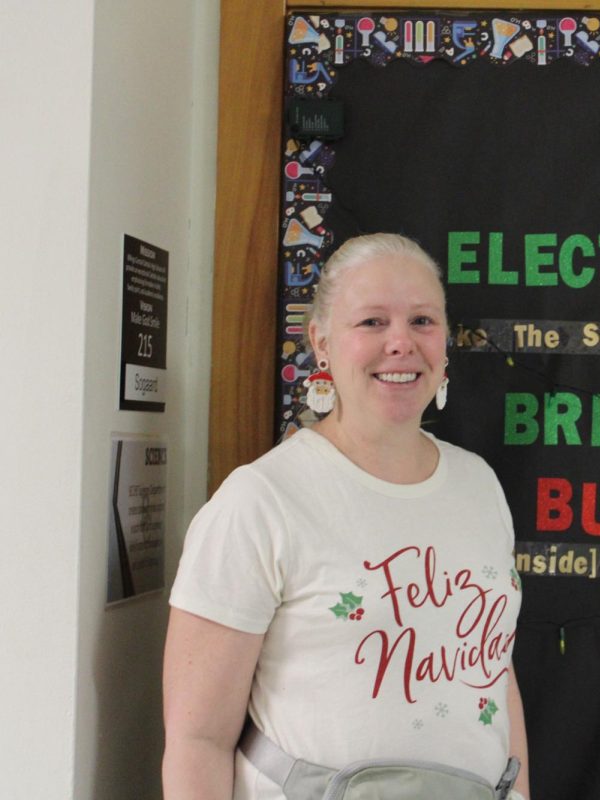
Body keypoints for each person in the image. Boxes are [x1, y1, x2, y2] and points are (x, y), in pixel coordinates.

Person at [163, 233, 531, 800]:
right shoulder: (261, 501)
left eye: (423, 321)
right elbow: (197, 740)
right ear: (322, 343)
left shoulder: (479, 485)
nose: (401, 343)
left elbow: (492, 672)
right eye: (372, 323)